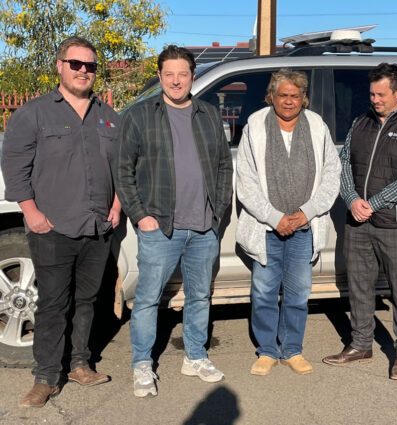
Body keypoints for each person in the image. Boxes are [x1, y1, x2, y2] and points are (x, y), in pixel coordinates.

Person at [2, 36, 120, 407]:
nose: (83, 71)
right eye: (76, 64)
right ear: (60, 66)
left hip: (98, 227)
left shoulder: (109, 116)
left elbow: (123, 167)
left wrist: (117, 206)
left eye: (90, 66)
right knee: (53, 303)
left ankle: (79, 364)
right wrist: (31, 213)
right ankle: (46, 377)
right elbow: (15, 167)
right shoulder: (34, 113)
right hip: (53, 228)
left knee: (87, 301)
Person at [114, 45, 233, 397]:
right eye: (169, 74)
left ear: (193, 76)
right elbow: (122, 171)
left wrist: (217, 211)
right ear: (160, 76)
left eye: (183, 74)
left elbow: (223, 166)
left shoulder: (208, 114)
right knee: (148, 298)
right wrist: (141, 216)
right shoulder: (140, 115)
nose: (176, 81)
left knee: (199, 295)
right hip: (160, 227)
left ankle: (195, 356)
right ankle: (142, 364)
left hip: (203, 226)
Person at [322, 63, 397, 380]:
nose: (375, 100)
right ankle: (361, 345)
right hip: (358, 221)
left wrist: (373, 204)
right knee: (359, 285)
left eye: (381, 94)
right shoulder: (360, 123)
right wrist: (351, 199)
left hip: (395, 224)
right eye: (372, 94)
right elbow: (344, 163)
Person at [236, 69, 341, 376]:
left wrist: (307, 212)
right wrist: (274, 217)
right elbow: (246, 180)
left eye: (295, 95)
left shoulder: (317, 125)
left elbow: (331, 174)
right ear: (272, 97)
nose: (289, 101)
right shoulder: (256, 125)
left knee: (298, 292)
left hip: (304, 226)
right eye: (283, 95)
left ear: (303, 98)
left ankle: (292, 349)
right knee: (264, 292)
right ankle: (267, 350)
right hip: (267, 226)